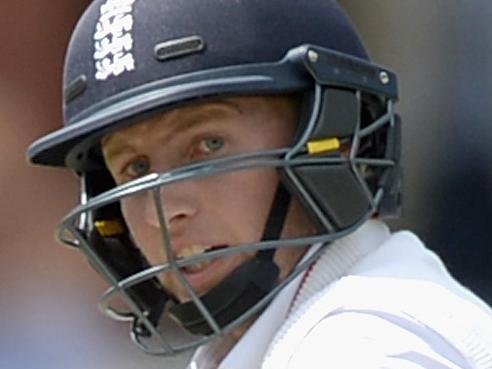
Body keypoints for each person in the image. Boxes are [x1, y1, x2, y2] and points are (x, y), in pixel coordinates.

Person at [27, 0, 492, 368]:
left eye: (209, 144)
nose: (163, 209)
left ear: (332, 140)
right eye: (133, 168)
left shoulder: (364, 346)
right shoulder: (291, 333)